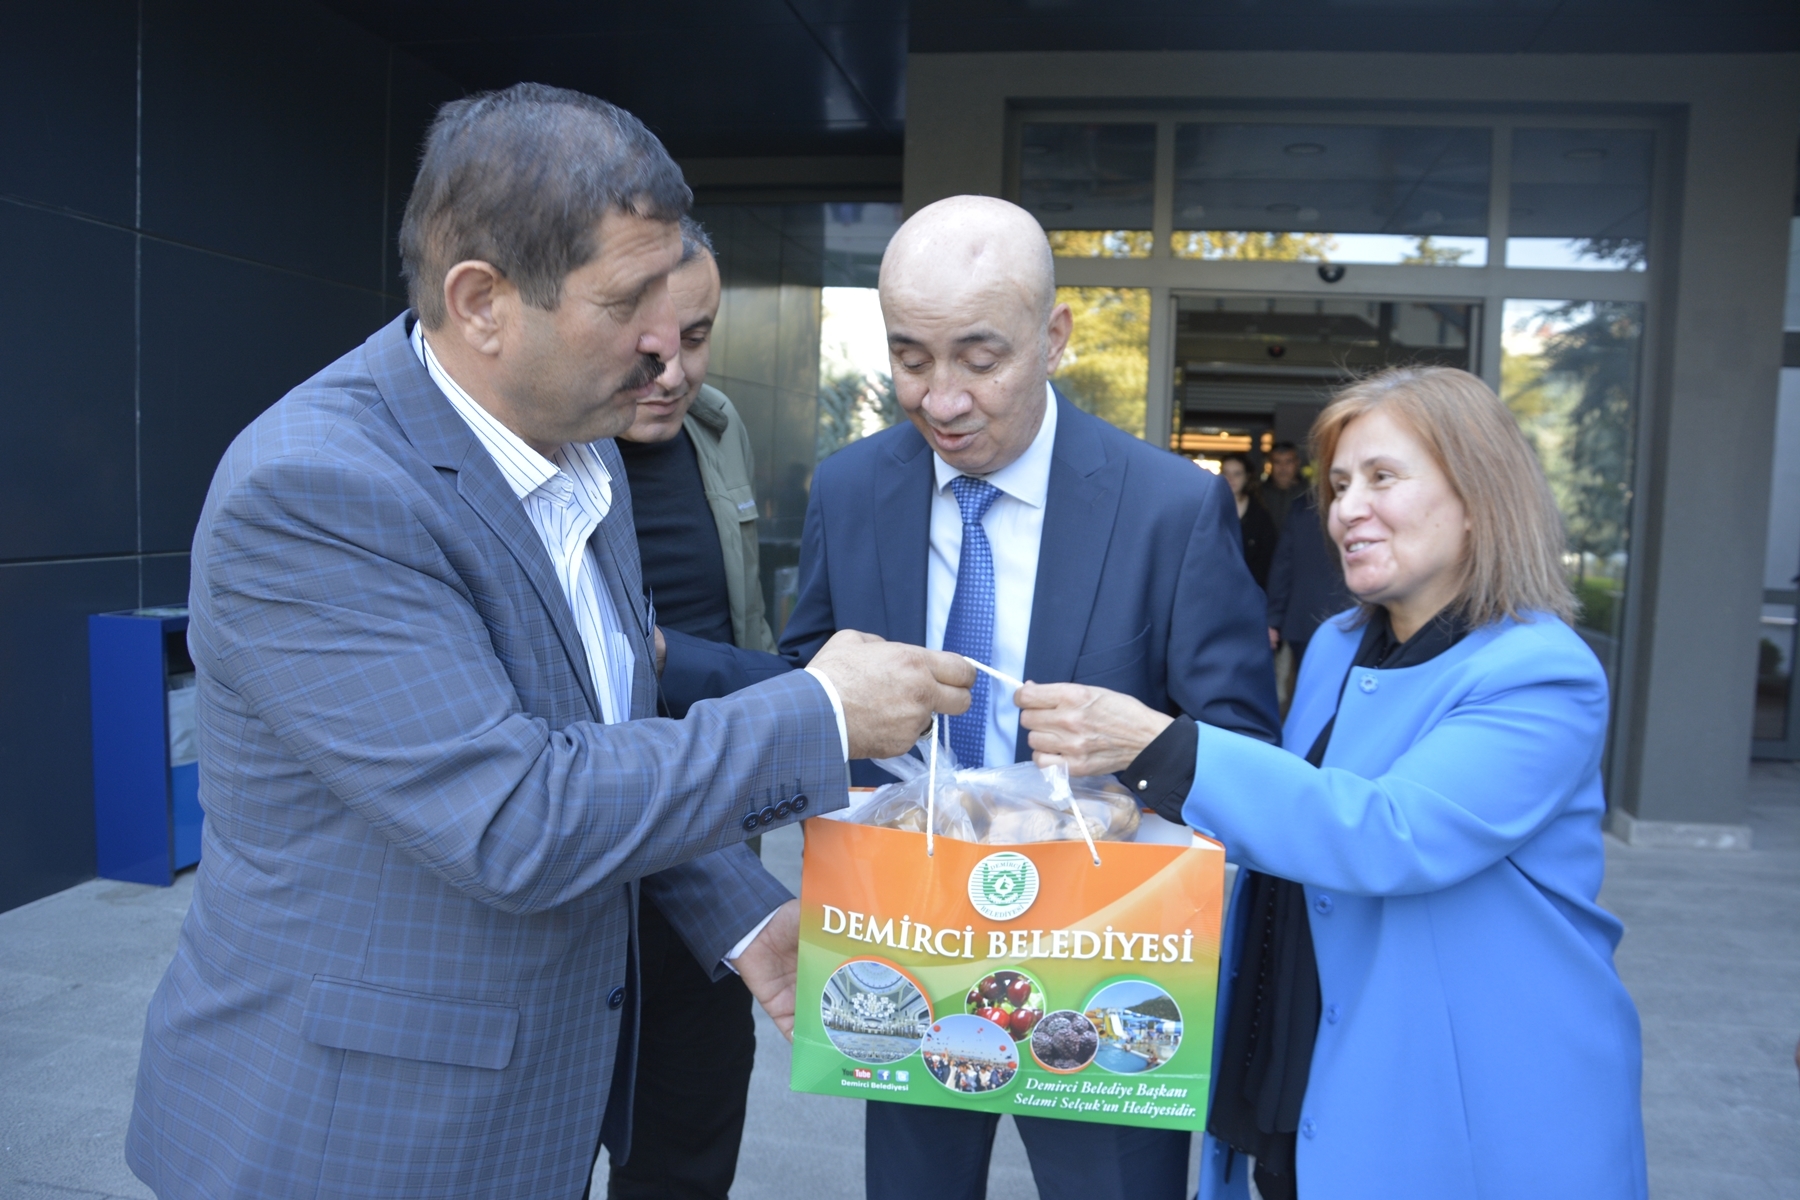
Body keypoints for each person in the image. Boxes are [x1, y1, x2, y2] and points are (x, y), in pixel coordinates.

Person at [125, 84, 974, 1200]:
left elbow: (611, 736)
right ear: (482, 301)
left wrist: (742, 914)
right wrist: (818, 710)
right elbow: (517, 814)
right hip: (354, 1131)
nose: (667, 350)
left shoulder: (581, 447)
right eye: (628, 302)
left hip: (526, 1105)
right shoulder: (317, 492)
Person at [1015, 366, 1647, 1200]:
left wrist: (1162, 748)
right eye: (1340, 485)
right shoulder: (1339, 646)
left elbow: (1387, 835)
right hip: (1303, 1068)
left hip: (1466, 1101)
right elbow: (1286, 825)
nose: (1348, 509)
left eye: (1383, 477)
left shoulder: (1541, 674)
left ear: (1479, 494)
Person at [779, 194, 1280, 1200]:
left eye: (979, 359)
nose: (942, 399)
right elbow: (811, 684)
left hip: (1103, 959)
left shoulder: (1170, 507)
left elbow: (1237, 743)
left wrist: (1132, 751)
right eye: (911, 358)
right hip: (908, 943)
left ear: (1053, 338)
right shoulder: (850, 488)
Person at [604, 216, 772, 1199]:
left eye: (697, 339)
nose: (672, 374)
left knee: (690, 1149)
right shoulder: (537, 457)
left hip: (718, 855)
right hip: (591, 864)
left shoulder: (718, 429)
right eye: (648, 345)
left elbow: (744, 620)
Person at [1265, 489, 1353, 666]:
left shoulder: (1302, 507)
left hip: (1304, 620)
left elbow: (1283, 567)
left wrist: (1273, 619)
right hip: (1352, 617)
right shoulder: (1362, 507)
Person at [1221, 452, 1278, 590]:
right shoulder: (1211, 511)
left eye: (1237, 474)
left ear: (1247, 477)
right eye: (1226, 473)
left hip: (1251, 588)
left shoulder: (1260, 515)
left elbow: (1267, 558)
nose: (1230, 479)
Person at [1261, 440, 1306, 533]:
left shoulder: (1309, 495)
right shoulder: (1259, 494)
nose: (1283, 467)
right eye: (1277, 462)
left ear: (1297, 463)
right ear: (1270, 465)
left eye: (1288, 461)